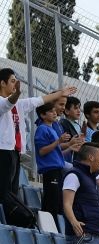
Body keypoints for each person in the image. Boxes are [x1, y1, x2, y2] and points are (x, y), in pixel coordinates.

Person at [0, 68, 76, 216]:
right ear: (2, 83)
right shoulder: (4, 101)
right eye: (12, 81)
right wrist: (16, 94)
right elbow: (7, 104)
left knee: (13, 191)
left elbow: (40, 100)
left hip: (15, 152)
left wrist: (60, 93)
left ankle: (14, 221)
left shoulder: (20, 104)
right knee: (5, 191)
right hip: (3, 151)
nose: (15, 84)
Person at [34, 102, 81, 217]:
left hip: (57, 169)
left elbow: (56, 152)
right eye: (51, 111)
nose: (55, 113)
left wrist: (70, 147)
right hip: (50, 171)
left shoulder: (51, 129)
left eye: (54, 111)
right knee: (51, 203)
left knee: (57, 203)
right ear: (42, 115)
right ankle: (48, 229)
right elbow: (42, 151)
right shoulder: (42, 129)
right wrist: (58, 141)